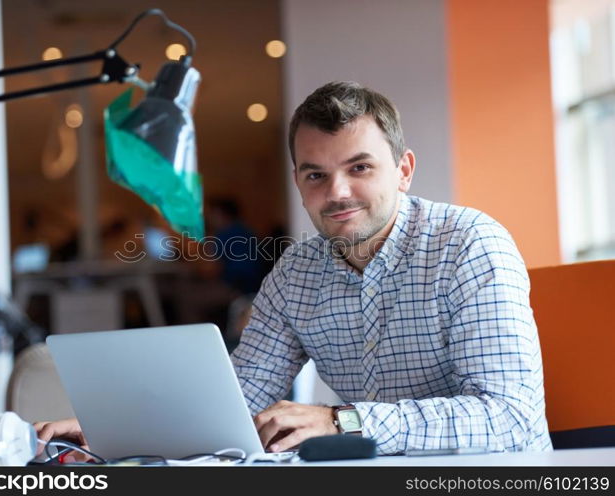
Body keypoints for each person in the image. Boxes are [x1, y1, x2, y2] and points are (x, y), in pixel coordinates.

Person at [35, 81, 551, 456]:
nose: (337, 193)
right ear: (299, 182)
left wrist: (341, 421)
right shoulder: (297, 273)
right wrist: (111, 431)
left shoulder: (469, 244)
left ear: (404, 170)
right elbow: (234, 400)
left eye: (360, 167)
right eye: (316, 175)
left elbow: (508, 416)